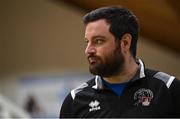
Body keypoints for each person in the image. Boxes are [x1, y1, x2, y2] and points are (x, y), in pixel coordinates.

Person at [60, 6, 180, 118]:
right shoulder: (74, 101)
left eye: (98, 41)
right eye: (87, 42)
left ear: (125, 43)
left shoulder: (169, 89)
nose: (88, 50)